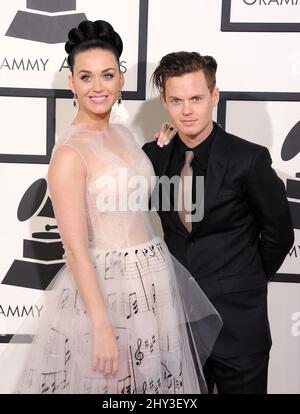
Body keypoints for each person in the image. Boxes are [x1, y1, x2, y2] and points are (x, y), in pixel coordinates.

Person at [8, 22, 222, 394]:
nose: (98, 87)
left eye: (107, 75)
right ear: (71, 83)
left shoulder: (123, 134)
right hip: (105, 292)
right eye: (86, 77)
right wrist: (103, 327)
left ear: (121, 79)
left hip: (152, 280)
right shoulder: (70, 154)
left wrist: (159, 148)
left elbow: (130, 191)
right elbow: (74, 251)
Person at [143, 51, 294, 394]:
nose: (187, 110)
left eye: (196, 98)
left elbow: (279, 234)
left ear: (214, 96)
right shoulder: (153, 156)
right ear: (165, 102)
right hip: (178, 327)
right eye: (176, 100)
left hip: (239, 326)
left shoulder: (248, 159)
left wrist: (245, 280)